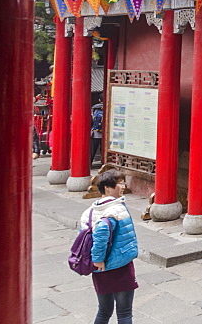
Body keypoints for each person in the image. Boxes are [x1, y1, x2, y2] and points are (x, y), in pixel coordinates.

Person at [80, 169, 139, 324]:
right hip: (119, 265)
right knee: (125, 313)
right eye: (119, 183)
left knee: (104, 310)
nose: (123, 186)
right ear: (107, 187)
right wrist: (98, 258)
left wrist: (96, 260)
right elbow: (101, 232)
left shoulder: (89, 212)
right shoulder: (116, 209)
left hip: (100, 269)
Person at [90, 98, 104, 165]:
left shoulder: (94, 109)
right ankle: (104, 163)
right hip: (106, 134)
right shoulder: (109, 106)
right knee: (103, 150)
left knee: (93, 149)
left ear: (99, 100)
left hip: (95, 132)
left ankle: (89, 163)